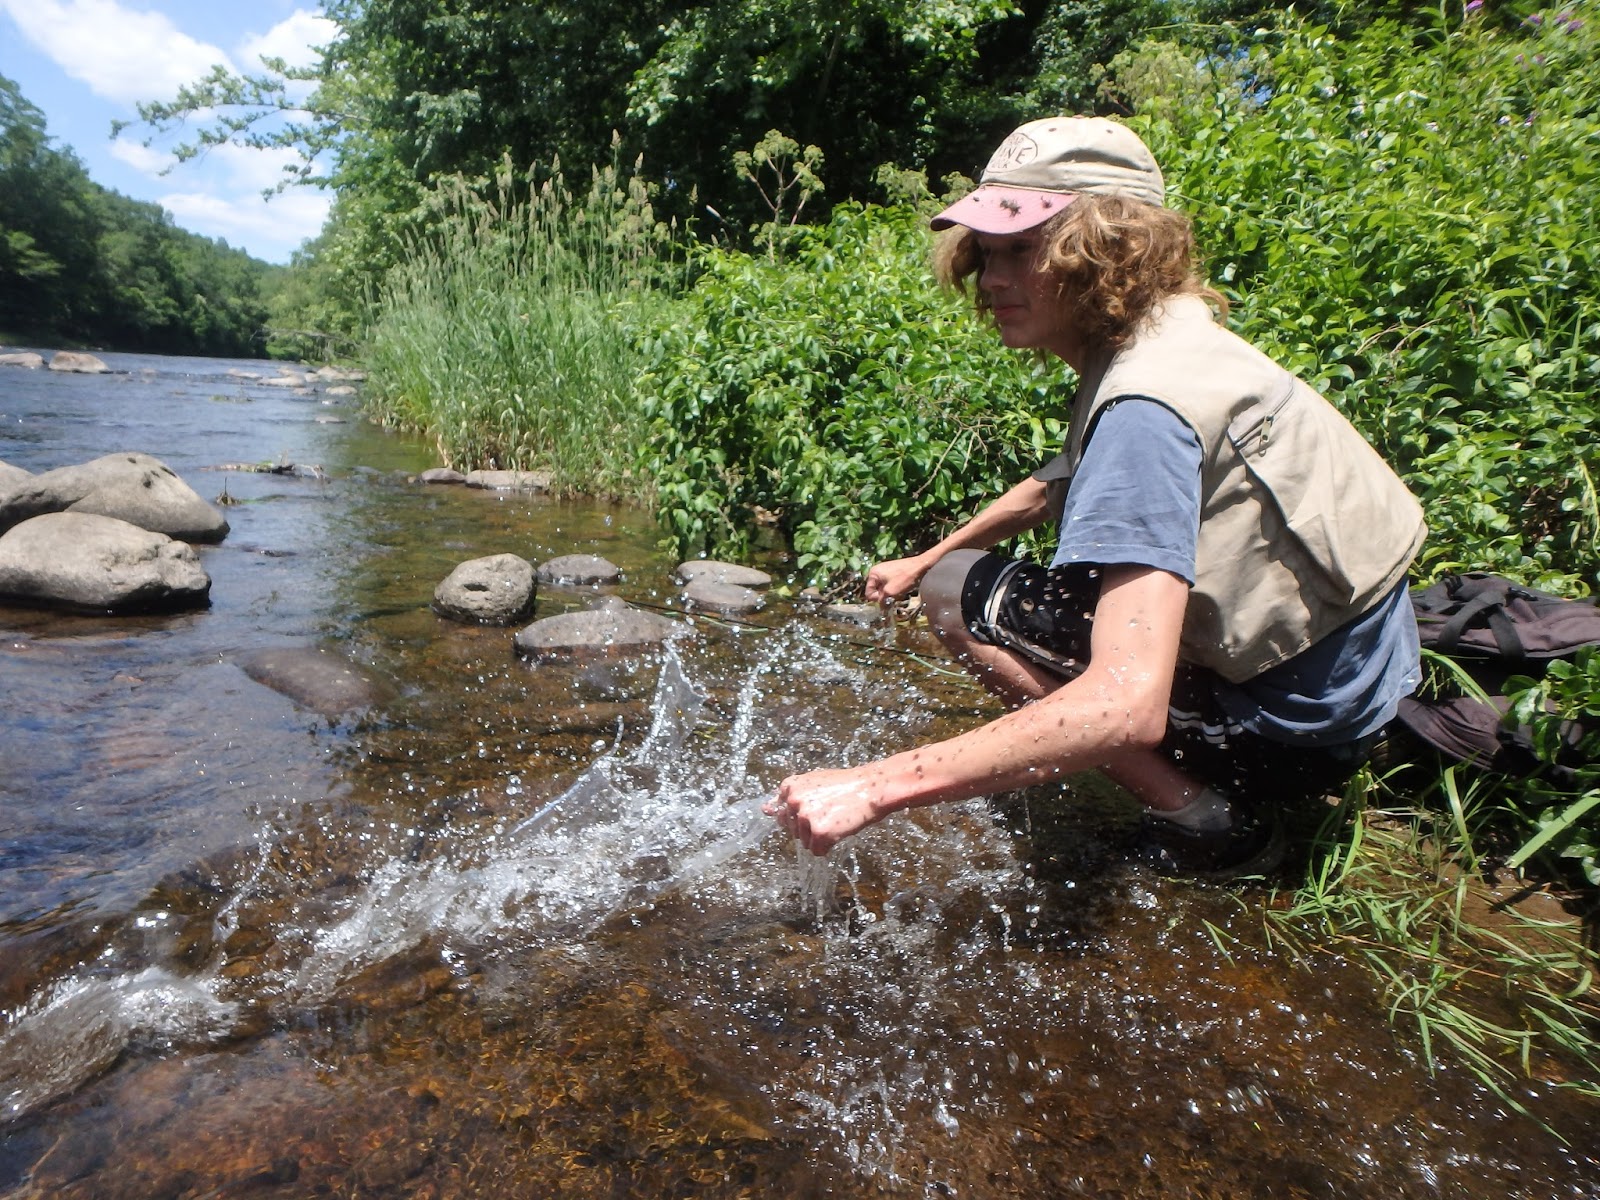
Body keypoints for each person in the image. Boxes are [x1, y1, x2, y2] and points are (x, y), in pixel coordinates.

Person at [764, 116, 1427, 876]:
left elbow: (1124, 706)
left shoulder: (1145, 411)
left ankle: (1210, 824)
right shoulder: (1175, 342)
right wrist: (931, 554)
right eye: (985, 252)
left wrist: (872, 785)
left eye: (1022, 250)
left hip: (1296, 735)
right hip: (1357, 689)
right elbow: (1049, 487)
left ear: (1107, 249)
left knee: (962, 598)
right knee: (952, 573)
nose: (990, 280)